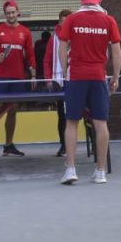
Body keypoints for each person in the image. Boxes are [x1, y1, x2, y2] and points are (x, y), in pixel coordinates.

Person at [58, 0, 121, 185]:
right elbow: (117, 51)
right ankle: (100, 171)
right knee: (100, 123)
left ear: (82, 0)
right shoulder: (108, 20)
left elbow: (62, 48)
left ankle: (70, 169)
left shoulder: (71, 19)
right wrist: (115, 77)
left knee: (71, 122)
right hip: (98, 76)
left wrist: (65, 73)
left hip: (76, 76)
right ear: (99, 0)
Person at [0, 0, 36, 159]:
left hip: (18, 78)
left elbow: (30, 55)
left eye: (13, 12)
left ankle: (8, 146)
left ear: (18, 12)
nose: (11, 15)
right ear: (4, 15)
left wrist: (33, 75)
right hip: (1, 78)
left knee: (13, 111)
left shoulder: (25, 32)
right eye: (8, 13)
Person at [43, 9, 73, 157]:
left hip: (76, 80)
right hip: (58, 82)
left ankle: (94, 145)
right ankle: (63, 146)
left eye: (69, 22)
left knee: (86, 112)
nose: (66, 25)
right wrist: (48, 79)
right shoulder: (53, 39)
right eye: (63, 22)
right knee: (62, 115)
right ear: (59, 22)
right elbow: (47, 60)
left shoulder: (78, 36)